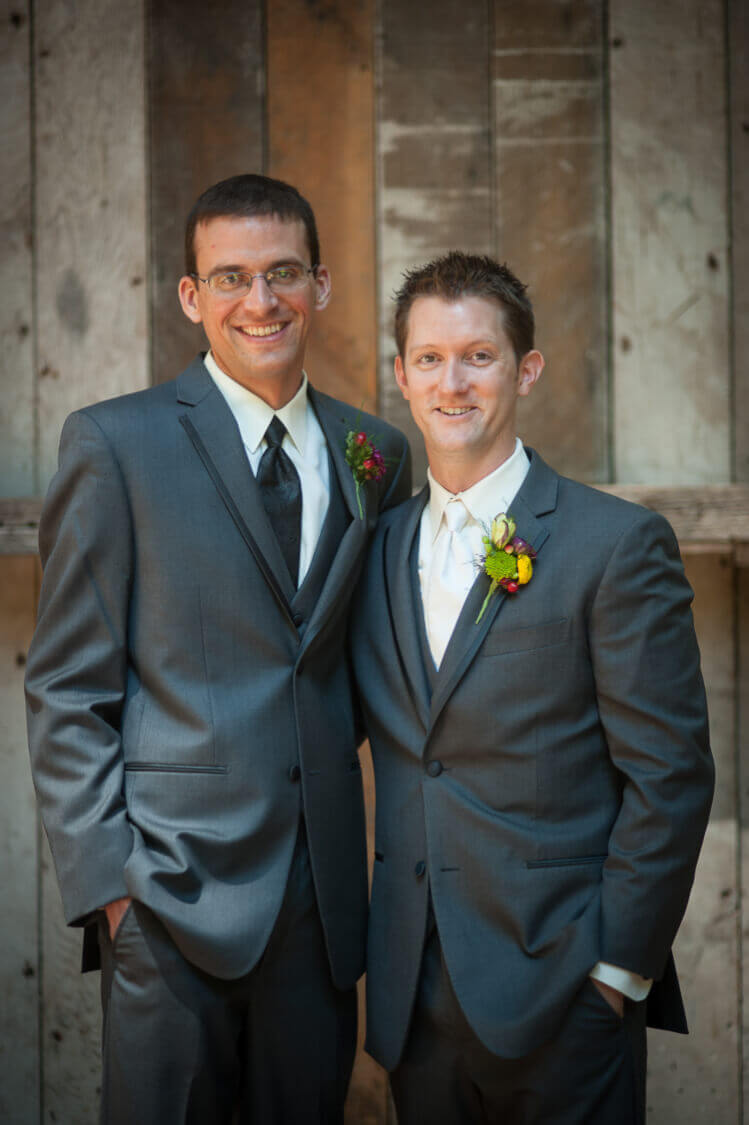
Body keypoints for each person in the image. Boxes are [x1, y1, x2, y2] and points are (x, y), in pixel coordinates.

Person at [24, 173, 411, 1124]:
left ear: (319, 285)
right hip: (168, 899)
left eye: (282, 273)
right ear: (192, 297)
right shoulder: (116, 444)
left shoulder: (377, 454)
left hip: (322, 910)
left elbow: (372, 662)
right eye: (230, 276)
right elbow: (69, 685)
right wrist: (114, 892)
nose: (260, 300)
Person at [350, 251, 713, 1124]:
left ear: (526, 368)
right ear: (401, 376)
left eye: (478, 355)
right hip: (410, 996)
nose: (453, 382)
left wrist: (614, 974)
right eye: (429, 359)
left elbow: (670, 777)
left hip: (565, 994)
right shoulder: (374, 548)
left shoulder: (613, 545)